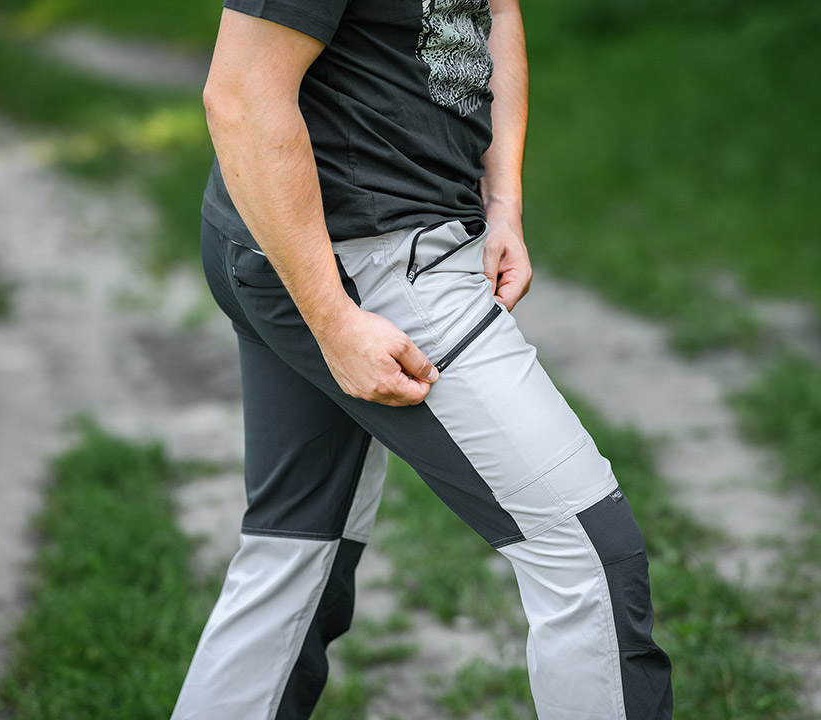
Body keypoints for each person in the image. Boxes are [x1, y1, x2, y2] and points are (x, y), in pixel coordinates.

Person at [172, 1, 673, 718]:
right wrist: (332, 317)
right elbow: (241, 95)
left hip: (312, 245)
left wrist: (502, 200)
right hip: (362, 258)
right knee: (589, 557)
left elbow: (495, 8)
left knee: (298, 553)